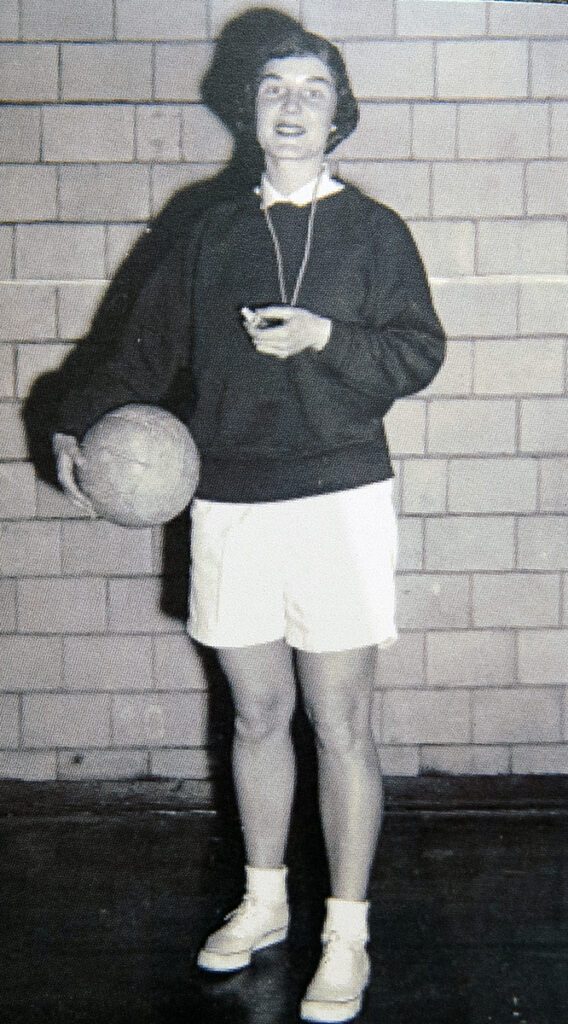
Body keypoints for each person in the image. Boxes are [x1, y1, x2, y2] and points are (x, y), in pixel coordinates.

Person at [52, 15, 445, 1023]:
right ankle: (265, 901)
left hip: (340, 496)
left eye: (312, 89)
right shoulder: (208, 232)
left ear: (337, 113)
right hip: (229, 500)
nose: (291, 105)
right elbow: (136, 357)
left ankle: (345, 929)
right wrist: (74, 421)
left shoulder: (375, 232)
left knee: (341, 720)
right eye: (273, 87)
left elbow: (416, 354)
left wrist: (325, 337)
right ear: (250, 107)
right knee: (257, 715)